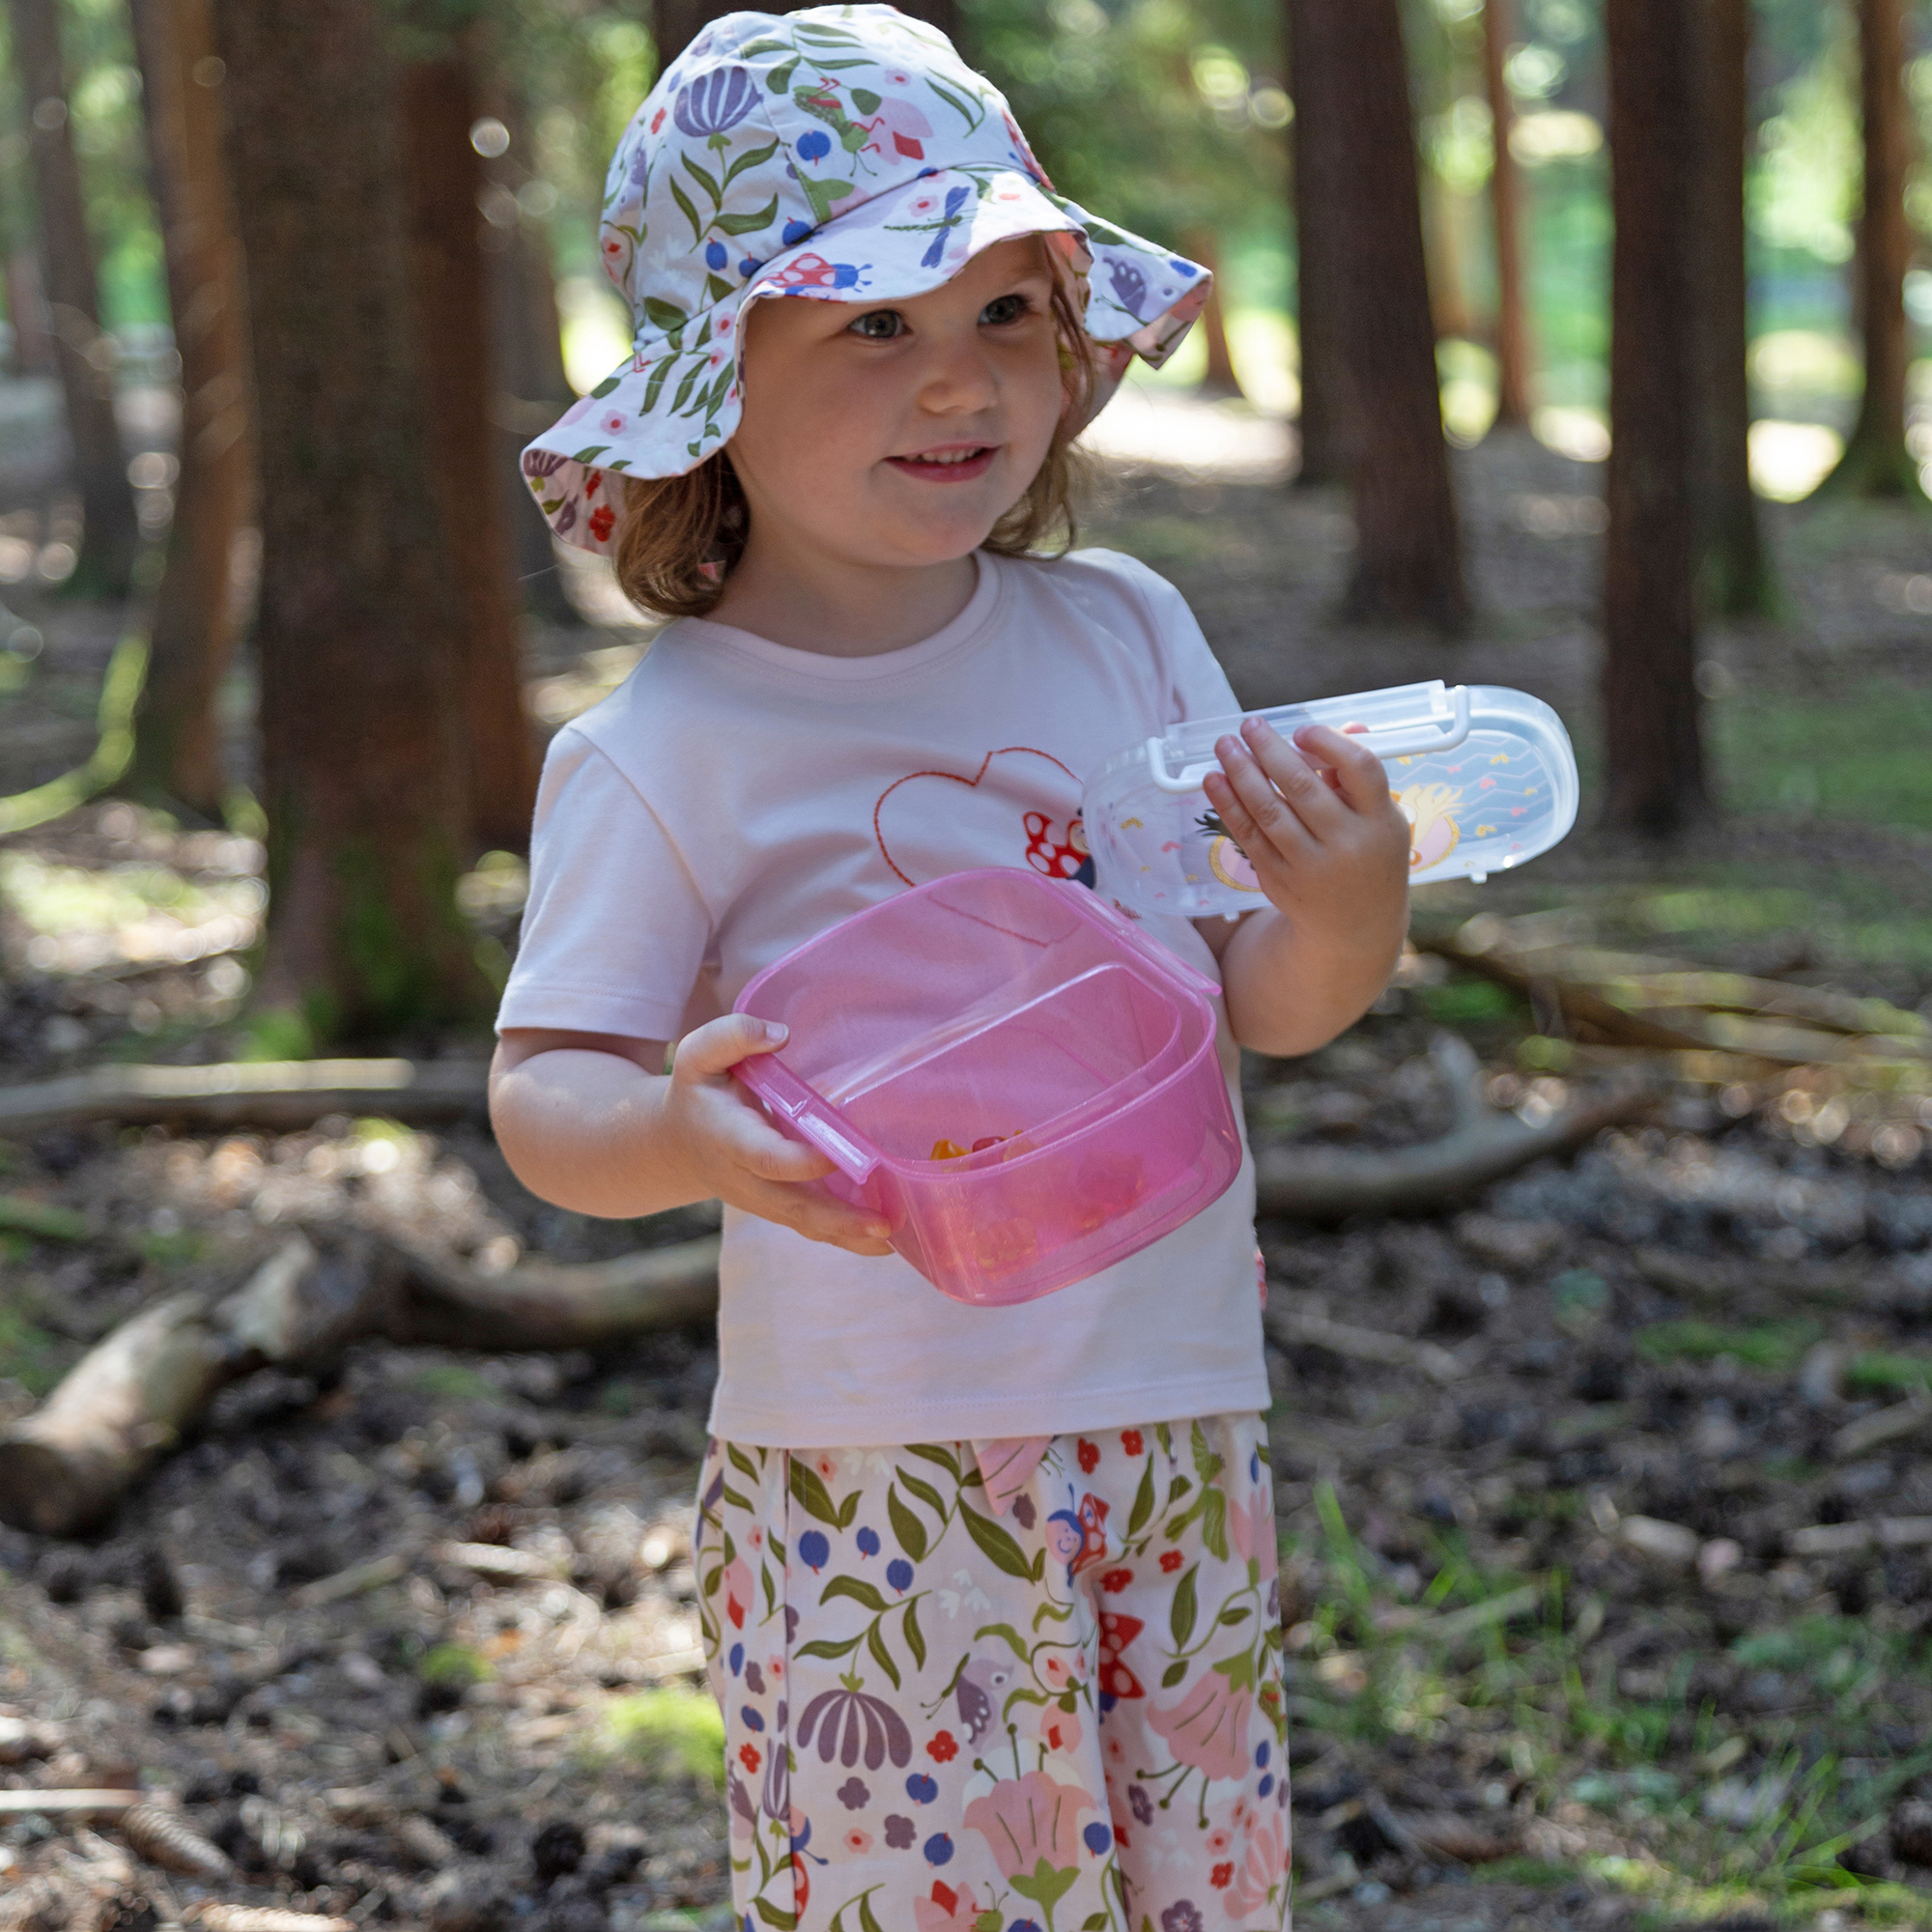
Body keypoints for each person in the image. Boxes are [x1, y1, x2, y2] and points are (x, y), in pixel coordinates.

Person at [490, 10, 1409, 1928]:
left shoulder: (1126, 631)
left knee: (1196, 1887)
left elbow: (1252, 999)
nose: (960, 378)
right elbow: (545, 1096)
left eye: (1006, 311)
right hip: (869, 1464)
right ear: (711, 379)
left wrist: (1341, 911)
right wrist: (672, 1128)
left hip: (1171, 1407)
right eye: (875, 325)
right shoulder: (668, 744)